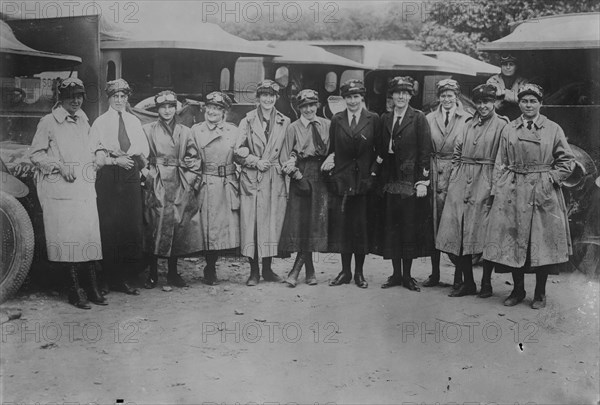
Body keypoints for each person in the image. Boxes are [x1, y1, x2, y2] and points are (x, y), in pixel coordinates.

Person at [483, 84, 574, 309]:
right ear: (520, 104)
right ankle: (518, 289)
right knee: (514, 241)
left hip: (542, 191)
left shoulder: (553, 129)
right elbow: (500, 161)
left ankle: (540, 293)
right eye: (524, 101)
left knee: (540, 243)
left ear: (540, 104)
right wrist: (498, 188)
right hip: (513, 191)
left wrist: (551, 178)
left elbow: (567, 161)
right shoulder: (510, 129)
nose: (529, 105)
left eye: (533, 101)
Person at [29, 78, 106, 309]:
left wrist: (100, 154)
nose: (76, 100)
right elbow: (35, 154)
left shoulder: (83, 120)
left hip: (83, 189)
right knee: (67, 239)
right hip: (61, 189)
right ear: (60, 99)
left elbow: (96, 145)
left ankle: (92, 286)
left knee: (88, 236)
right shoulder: (48, 122)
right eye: (71, 96)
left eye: (80, 95)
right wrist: (59, 166)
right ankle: (75, 289)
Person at [436, 84, 508, 297]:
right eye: (479, 102)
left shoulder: (503, 125)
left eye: (487, 102)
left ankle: (486, 283)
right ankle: (468, 283)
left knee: (485, 234)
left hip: (486, 181)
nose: (483, 106)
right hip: (462, 182)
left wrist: (494, 186)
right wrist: (455, 177)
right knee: (460, 231)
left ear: (494, 102)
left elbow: (503, 159)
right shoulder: (468, 123)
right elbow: (457, 152)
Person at [372, 77, 432, 292]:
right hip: (390, 181)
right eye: (397, 93)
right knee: (392, 228)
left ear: (410, 96)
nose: (401, 96)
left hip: (409, 182)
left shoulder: (418, 118)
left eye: (405, 93)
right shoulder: (384, 118)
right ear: (392, 96)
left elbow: (425, 152)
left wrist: (422, 181)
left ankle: (407, 275)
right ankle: (395, 274)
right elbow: (380, 150)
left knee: (408, 228)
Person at [90, 79, 149, 295]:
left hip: (131, 172)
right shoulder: (100, 122)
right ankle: (107, 277)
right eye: (115, 96)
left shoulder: (134, 121)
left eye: (123, 96)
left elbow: (142, 150)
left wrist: (142, 168)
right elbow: (95, 150)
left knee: (129, 225)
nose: (119, 100)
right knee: (109, 225)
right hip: (109, 173)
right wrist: (115, 160)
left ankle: (123, 278)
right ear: (109, 98)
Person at [323, 79, 380, 289]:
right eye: (348, 97)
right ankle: (345, 271)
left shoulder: (373, 119)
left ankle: (359, 273)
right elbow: (332, 149)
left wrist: (372, 174)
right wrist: (333, 170)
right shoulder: (337, 120)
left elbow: (380, 152)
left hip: (364, 182)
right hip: (343, 182)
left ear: (362, 98)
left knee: (360, 228)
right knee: (344, 228)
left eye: (356, 97)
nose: (353, 101)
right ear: (344, 99)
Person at [142, 90, 202, 289]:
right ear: (157, 109)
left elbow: (194, 157)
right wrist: (148, 176)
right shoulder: (148, 129)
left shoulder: (185, 131)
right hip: (157, 180)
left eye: (170, 107)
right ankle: (152, 273)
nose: (167, 111)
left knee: (177, 224)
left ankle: (173, 273)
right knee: (154, 224)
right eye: (163, 107)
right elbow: (141, 156)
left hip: (178, 180)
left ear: (176, 108)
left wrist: (189, 180)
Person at [234, 80, 290, 286]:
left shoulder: (284, 121)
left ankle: (267, 269)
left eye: (272, 96)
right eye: (264, 95)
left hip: (274, 177)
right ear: (258, 98)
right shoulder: (247, 121)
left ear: (276, 98)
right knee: (251, 224)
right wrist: (255, 161)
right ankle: (253, 271)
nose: (268, 99)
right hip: (253, 177)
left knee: (270, 224)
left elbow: (288, 148)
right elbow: (237, 151)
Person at [423, 78, 472, 290]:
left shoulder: (468, 119)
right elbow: (425, 147)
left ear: (457, 96)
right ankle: (435, 274)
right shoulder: (429, 118)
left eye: (450, 95)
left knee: (455, 227)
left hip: (456, 173)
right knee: (432, 225)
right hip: (434, 173)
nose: (446, 99)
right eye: (443, 95)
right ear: (438, 97)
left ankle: (458, 278)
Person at [279, 89, 331, 287]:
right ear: (298, 108)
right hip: (301, 174)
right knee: (302, 223)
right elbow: (285, 156)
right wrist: (296, 175)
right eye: (304, 106)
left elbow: (334, 149)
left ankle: (298, 270)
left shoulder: (327, 124)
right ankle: (307, 271)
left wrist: (332, 158)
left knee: (314, 224)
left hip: (322, 175)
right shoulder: (293, 128)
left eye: (312, 105)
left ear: (317, 105)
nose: (309, 109)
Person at [191, 91, 240, 286]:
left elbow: (240, 154)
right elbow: (189, 155)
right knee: (206, 228)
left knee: (220, 229)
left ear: (224, 112)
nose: (212, 112)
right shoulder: (196, 130)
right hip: (205, 181)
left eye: (217, 109)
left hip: (226, 182)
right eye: (210, 107)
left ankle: (213, 265)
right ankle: (209, 267)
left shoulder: (233, 131)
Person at [486, 54, 528, 118]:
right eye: (505, 64)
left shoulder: (523, 81)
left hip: (518, 117)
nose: (508, 67)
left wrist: (503, 93)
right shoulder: (492, 80)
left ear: (516, 67)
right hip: (497, 116)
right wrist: (514, 97)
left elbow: (524, 100)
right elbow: (493, 102)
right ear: (501, 66)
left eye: (511, 64)